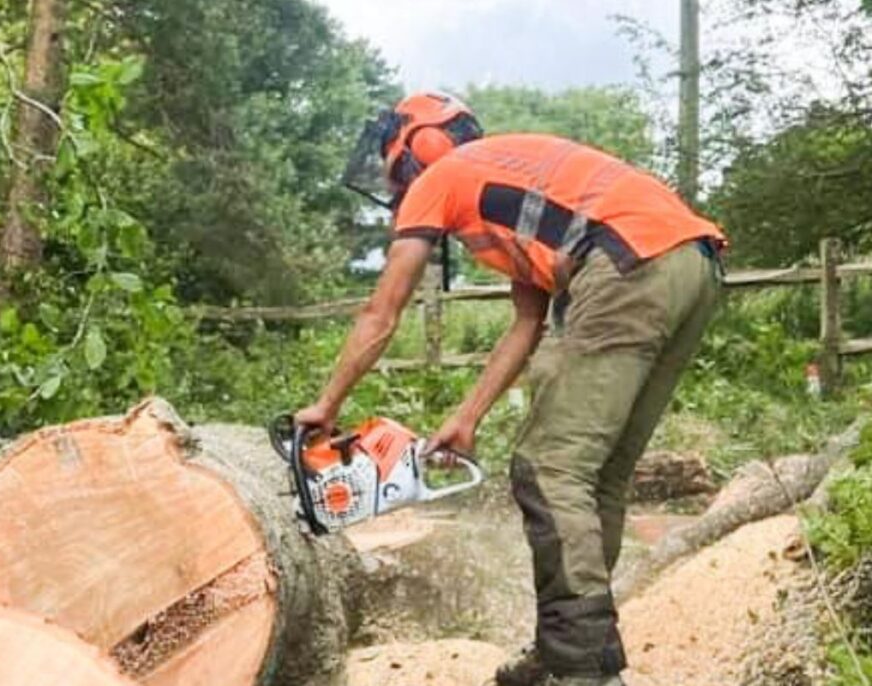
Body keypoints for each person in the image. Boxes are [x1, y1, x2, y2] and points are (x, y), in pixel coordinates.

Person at [295, 92, 725, 686]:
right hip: (691, 267)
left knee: (550, 469)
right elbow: (527, 323)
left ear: (422, 142)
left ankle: (582, 670)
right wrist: (467, 416)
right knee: (596, 474)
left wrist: (326, 404)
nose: (398, 183)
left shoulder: (441, 175)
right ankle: (565, 651)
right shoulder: (503, 181)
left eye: (398, 166)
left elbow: (382, 312)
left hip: (627, 263)